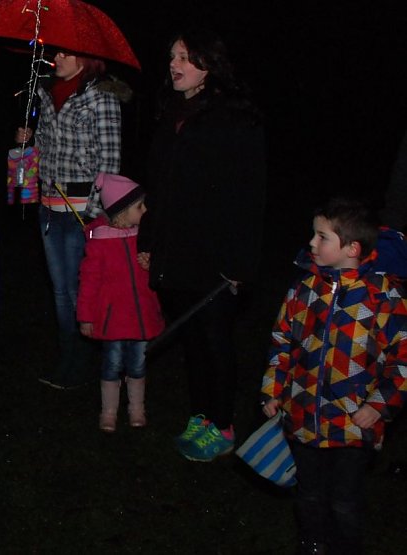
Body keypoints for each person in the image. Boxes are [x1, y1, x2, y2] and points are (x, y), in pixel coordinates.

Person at [136, 29, 266, 462]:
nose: (174, 65)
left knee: (214, 340)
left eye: (186, 58)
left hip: (215, 255)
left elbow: (248, 196)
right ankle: (201, 416)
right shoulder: (173, 111)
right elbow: (159, 186)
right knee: (191, 339)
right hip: (176, 251)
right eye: (172, 56)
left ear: (209, 66)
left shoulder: (232, 118)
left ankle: (223, 423)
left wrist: (239, 264)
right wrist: (149, 239)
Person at [261, 198, 407, 554]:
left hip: (354, 423)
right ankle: (312, 543)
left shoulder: (384, 296)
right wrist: (272, 389)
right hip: (304, 413)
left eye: (322, 237)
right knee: (309, 492)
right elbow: (282, 339)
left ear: (352, 248)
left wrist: (380, 404)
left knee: (344, 500)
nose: (311, 243)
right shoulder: (304, 288)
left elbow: (402, 358)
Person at [15, 49, 122, 390]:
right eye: (54, 51)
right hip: (48, 207)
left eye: (64, 52)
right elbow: (44, 149)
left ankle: (84, 363)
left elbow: (110, 162)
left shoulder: (101, 97)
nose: (56, 58)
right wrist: (29, 144)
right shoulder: (47, 94)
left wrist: (92, 214)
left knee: (79, 292)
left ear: (86, 58)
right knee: (61, 293)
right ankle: (69, 359)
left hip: (79, 210)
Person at [76, 174, 164, 432]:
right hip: (112, 318)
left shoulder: (143, 237)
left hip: (140, 316)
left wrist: (151, 263)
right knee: (112, 363)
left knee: (138, 363)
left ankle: (137, 407)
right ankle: (109, 411)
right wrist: (86, 316)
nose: (146, 210)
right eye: (140, 206)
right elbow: (88, 282)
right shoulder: (100, 243)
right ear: (123, 212)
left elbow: (153, 271)